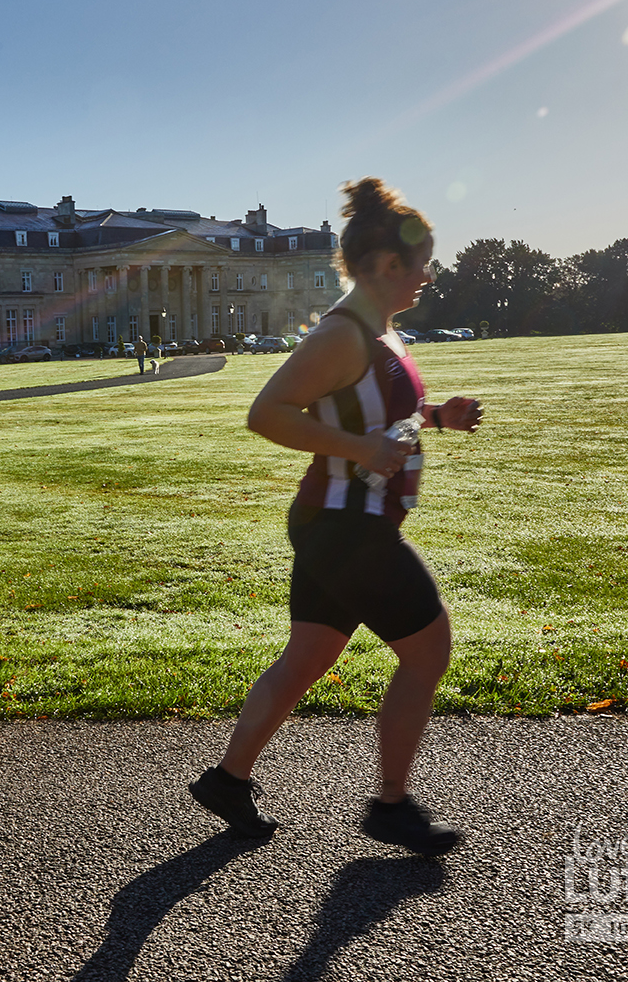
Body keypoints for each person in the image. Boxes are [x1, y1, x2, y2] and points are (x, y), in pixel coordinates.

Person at [189, 178, 483, 855]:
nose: (427, 277)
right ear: (387, 265)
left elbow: (383, 415)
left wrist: (439, 416)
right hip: (346, 527)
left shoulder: (380, 331)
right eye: (421, 264)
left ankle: (228, 780)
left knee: (307, 655)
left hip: (338, 521)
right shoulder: (342, 334)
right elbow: (265, 413)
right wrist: (359, 449)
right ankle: (391, 804)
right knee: (428, 648)